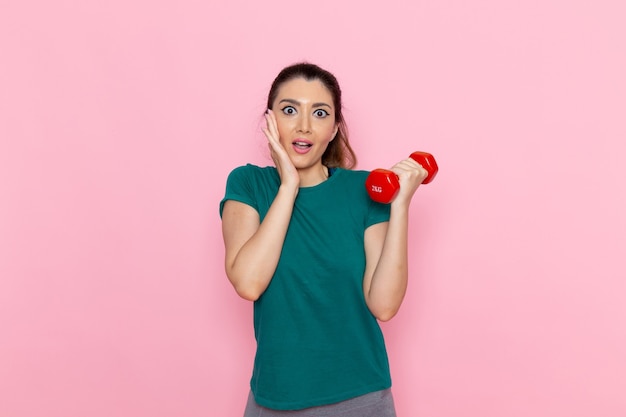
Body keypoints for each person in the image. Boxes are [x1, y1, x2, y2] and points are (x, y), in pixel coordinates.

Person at [219, 62, 428, 416]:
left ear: (333, 129)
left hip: (360, 399)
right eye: (289, 110)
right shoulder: (248, 184)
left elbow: (384, 306)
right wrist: (287, 185)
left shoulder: (363, 190)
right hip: (275, 400)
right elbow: (249, 283)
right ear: (270, 121)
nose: (303, 126)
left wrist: (401, 207)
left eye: (319, 113)